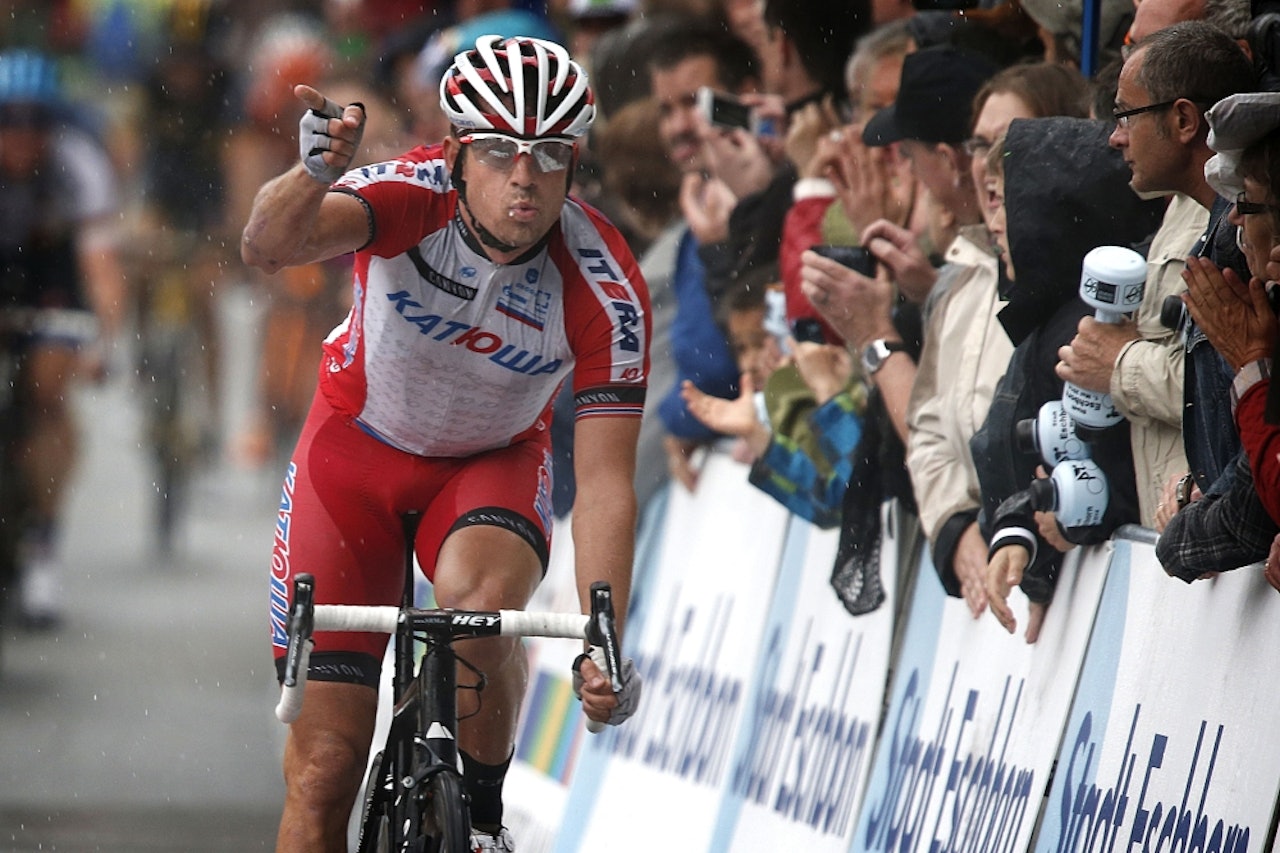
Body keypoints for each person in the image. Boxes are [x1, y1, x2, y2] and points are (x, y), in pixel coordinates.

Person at [240, 36, 648, 853]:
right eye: (499, 150)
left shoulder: (606, 285)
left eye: (550, 154)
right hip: (352, 455)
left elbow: (605, 482)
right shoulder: (402, 195)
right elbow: (267, 248)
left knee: (479, 608)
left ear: (576, 163)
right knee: (323, 771)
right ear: (458, 152)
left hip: (489, 463)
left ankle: (485, 820)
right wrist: (312, 174)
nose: (524, 177)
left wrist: (607, 639)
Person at [906, 62, 1089, 617]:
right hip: (986, 575)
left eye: (1007, 144)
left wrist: (1029, 549)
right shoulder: (959, 276)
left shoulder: (1084, 277)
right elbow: (929, 428)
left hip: (1066, 575)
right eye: (978, 144)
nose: (985, 166)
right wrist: (956, 526)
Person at [1055, 21, 1255, 528]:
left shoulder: (1242, 236)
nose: (1115, 138)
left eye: (1126, 115)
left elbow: (1251, 390)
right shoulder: (1202, 220)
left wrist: (1121, 363)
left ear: (1184, 119)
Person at [976, 117, 1163, 641]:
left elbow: (1113, 471)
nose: (993, 225)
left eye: (1005, 203)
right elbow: (1026, 455)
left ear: (1051, 213)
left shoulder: (1082, 327)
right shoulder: (1051, 318)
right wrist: (1024, 528)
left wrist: (1075, 519)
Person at [0, 49, 126, 628]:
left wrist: (101, 342)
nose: (22, 134)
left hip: (52, 292)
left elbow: (100, 266)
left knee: (49, 393)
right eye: (8, 120)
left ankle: (43, 547)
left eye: (35, 121)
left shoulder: (77, 165)